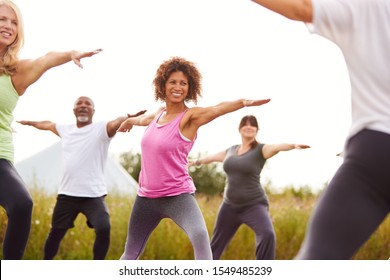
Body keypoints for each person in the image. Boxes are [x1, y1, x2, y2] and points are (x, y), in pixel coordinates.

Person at [250, 0, 390, 259]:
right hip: (373, 155)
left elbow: (301, 7)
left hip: (376, 150)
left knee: (319, 258)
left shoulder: (368, 6)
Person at [117, 56, 271, 260]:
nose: (178, 87)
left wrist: (242, 103)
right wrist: (129, 121)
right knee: (130, 252)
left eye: (183, 83)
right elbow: (142, 119)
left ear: (190, 88)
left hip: (177, 196)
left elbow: (216, 109)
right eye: (173, 82)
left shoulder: (190, 118)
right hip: (146, 198)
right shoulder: (158, 114)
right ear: (163, 85)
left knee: (199, 235)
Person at [0, 0, 101, 260]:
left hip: (0, 156)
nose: (8, 26)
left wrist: (69, 54)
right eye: (2, 19)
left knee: (22, 203)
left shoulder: (16, 71)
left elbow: (45, 60)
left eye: (14, 22)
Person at [18, 96, 145, 260]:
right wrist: (30, 122)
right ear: (74, 110)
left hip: (93, 197)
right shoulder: (65, 130)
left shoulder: (101, 129)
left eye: (88, 104)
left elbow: (115, 122)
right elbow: (48, 124)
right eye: (79, 103)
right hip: (67, 195)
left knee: (104, 227)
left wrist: (128, 118)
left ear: (93, 111)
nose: (83, 106)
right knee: (55, 233)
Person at [189, 115, 310, 259]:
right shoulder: (231, 151)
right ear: (239, 129)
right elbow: (211, 158)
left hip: (254, 205)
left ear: (257, 130)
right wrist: (195, 162)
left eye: (252, 124)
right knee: (215, 245)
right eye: (245, 124)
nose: (249, 127)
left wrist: (292, 145)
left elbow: (276, 147)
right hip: (229, 206)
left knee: (267, 235)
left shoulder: (261, 150)